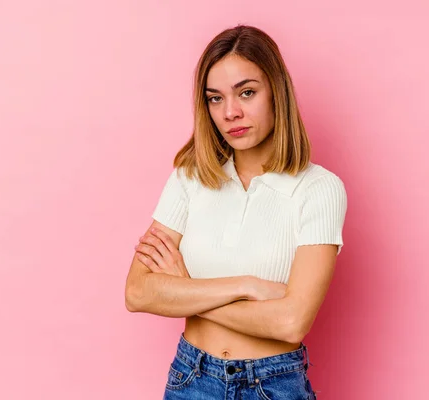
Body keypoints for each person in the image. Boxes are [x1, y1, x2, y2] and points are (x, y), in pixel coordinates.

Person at [125, 24, 347, 399]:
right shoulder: (190, 177)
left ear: (277, 92)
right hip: (191, 379)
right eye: (215, 98)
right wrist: (245, 286)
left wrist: (187, 292)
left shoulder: (319, 189)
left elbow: (292, 322)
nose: (231, 112)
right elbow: (137, 292)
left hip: (273, 385)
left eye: (247, 93)